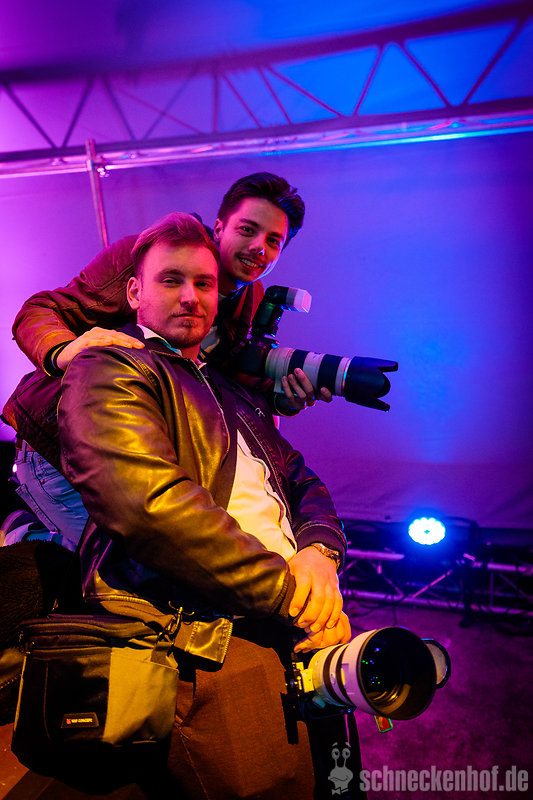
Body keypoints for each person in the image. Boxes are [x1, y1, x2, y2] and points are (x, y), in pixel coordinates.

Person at [56, 211, 361, 799]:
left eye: (204, 283)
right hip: (209, 637)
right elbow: (149, 509)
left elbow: (301, 480)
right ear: (134, 292)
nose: (191, 296)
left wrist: (320, 555)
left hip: (296, 620)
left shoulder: (226, 387)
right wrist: (296, 598)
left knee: (337, 782)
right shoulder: (110, 367)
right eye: (171, 280)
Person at [2, 173, 330, 550]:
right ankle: (29, 533)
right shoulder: (150, 255)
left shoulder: (251, 299)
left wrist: (282, 399)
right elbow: (39, 311)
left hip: (142, 445)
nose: (259, 247)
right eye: (247, 229)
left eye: (273, 241)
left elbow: (226, 384)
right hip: (58, 440)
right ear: (219, 228)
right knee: (123, 560)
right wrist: (65, 350)